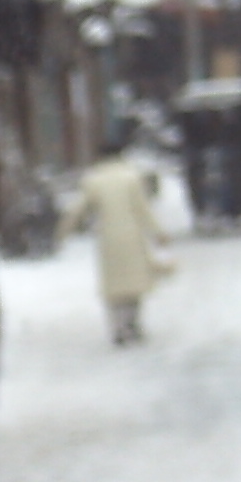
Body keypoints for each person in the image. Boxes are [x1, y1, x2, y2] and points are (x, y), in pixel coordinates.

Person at [61, 136, 170, 345]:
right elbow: (142, 208)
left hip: (108, 238)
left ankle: (118, 327)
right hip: (132, 236)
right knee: (135, 283)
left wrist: (64, 229)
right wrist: (158, 232)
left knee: (114, 286)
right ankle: (133, 323)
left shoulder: (93, 179)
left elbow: (79, 208)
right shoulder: (131, 177)